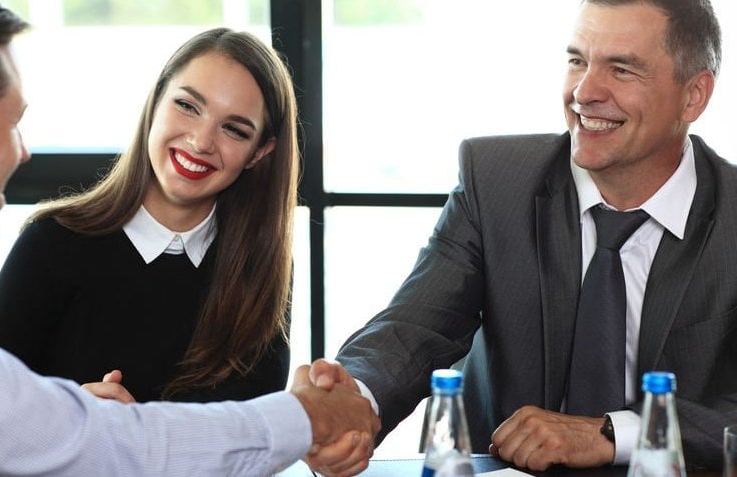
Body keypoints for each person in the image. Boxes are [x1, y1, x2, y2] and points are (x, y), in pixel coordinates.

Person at [0, 1, 378, 476]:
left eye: (233, 129)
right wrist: (306, 417)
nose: (24, 153)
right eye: (12, 125)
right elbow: (44, 439)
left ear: (260, 152)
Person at [310, 0, 734, 472]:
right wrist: (352, 401)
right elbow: (414, 328)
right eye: (577, 61)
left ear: (694, 95)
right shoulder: (496, 184)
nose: (584, 91)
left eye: (622, 69)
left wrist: (613, 433)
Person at [0, 27, 296, 405]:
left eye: (234, 129)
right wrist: (71, 419)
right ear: (155, 102)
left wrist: (139, 436)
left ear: (259, 153)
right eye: (188, 106)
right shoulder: (50, 244)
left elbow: (251, 441)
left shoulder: (260, 269)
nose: (201, 141)